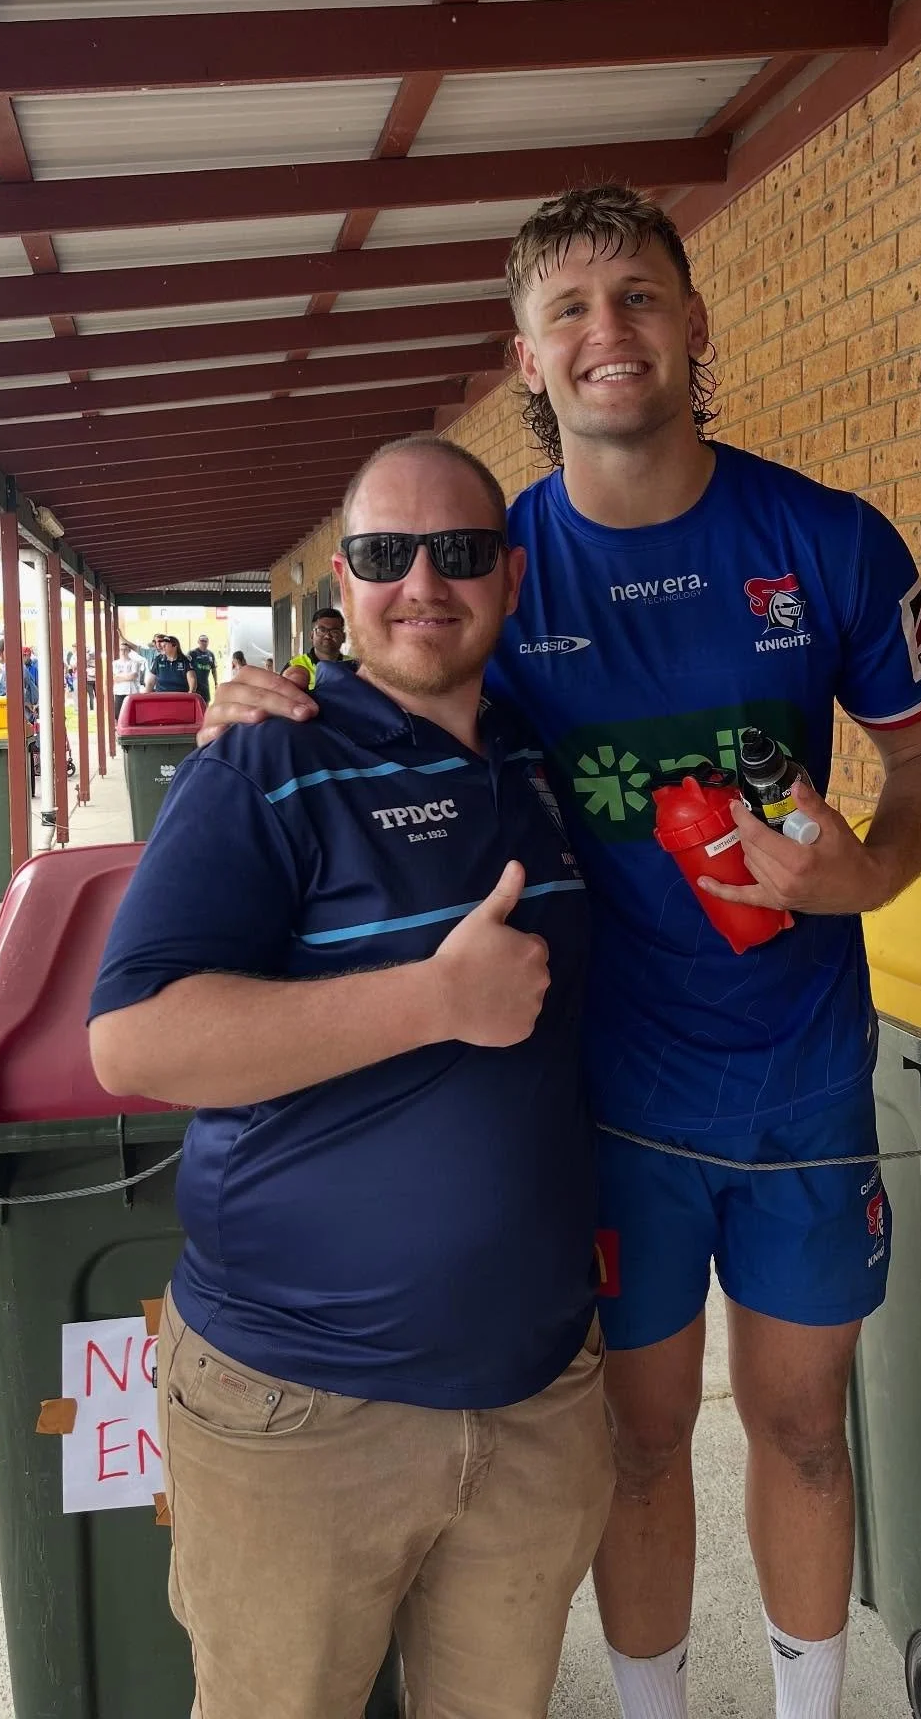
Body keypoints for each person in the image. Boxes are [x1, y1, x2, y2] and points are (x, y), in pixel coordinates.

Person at [204, 184, 921, 1719]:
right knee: (634, 1441)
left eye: (637, 298)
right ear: (527, 360)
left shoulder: (824, 540)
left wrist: (872, 872)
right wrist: (255, 698)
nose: (606, 332)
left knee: (807, 1427)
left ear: (694, 329)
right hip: (603, 1094)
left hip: (802, 1077)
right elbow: (380, 679)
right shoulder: (498, 570)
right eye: (569, 309)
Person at [89, 439, 611, 1719]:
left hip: (537, 1393)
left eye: (462, 552)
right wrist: (435, 1000)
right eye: (387, 555)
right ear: (342, 582)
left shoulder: (538, 757)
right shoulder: (266, 759)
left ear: (512, 575)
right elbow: (133, 1039)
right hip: (300, 1412)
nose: (424, 582)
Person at [284, 605, 345, 682]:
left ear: (343, 637)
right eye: (321, 630)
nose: (327, 636)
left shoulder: (355, 666)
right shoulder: (294, 666)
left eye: (334, 631)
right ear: (312, 635)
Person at [112, 639, 146, 717]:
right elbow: (115, 678)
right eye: (121, 650)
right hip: (119, 692)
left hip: (132, 691)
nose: (123, 651)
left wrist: (121, 676)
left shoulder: (135, 663)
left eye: (125, 649)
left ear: (129, 651)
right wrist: (127, 676)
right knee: (118, 715)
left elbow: (133, 676)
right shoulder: (115, 663)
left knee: (132, 714)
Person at [188, 633, 217, 703]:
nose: (203, 643)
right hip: (194, 685)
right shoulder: (192, 653)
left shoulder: (210, 654)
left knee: (205, 703)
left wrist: (216, 682)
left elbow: (214, 669)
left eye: (205, 641)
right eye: (202, 641)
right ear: (198, 642)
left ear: (208, 642)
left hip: (205, 685)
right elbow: (186, 669)